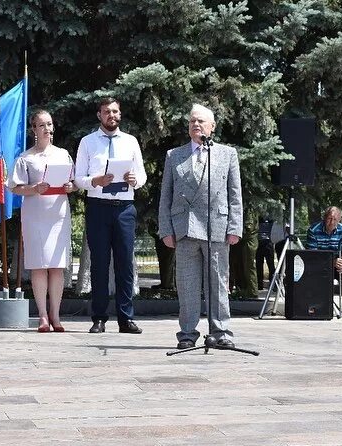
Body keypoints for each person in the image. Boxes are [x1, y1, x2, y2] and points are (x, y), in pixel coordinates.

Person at [158, 104, 243, 349]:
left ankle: (221, 331)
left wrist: (235, 226)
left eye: (201, 121)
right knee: (187, 284)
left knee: (218, 283)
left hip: (216, 226)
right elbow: (166, 195)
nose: (196, 125)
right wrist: (166, 229)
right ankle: (187, 333)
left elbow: (234, 193)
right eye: (192, 121)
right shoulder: (174, 155)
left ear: (212, 127)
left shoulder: (227, 154)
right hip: (184, 227)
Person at [74, 97, 147, 334]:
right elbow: (78, 179)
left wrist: (135, 180)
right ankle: (99, 318)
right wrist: (94, 181)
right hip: (98, 207)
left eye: (115, 111)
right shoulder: (87, 142)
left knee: (125, 263)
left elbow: (142, 175)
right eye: (107, 112)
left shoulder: (130, 141)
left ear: (120, 115)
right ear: (99, 115)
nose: (111, 116)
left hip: (124, 209)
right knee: (100, 264)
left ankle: (126, 318)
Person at [8, 110, 75, 332]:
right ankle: (43, 316)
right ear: (34, 130)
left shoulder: (63, 154)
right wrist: (33, 188)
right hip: (35, 214)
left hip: (58, 214)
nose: (47, 129)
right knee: (38, 265)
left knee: (57, 266)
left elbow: (73, 182)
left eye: (49, 124)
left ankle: (56, 316)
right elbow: (14, 187)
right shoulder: (26, 158)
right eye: (42, 125)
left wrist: (70, 187)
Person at [306, 206, 342, 317]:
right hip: (320, 264)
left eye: (335, 219)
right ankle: (325, 305)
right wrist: (331, 262)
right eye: (329, 218)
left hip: (337, 262)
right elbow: (312, 254)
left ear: (339, 220)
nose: (332, 222)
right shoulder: (314, 230)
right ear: (325, 218)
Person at [255, 215, 276, 289]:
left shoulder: (271, 218)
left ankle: (273, 283)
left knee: (270, 264)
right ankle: (259, 284)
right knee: (259, 264)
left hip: (268, 242)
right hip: (259, 242)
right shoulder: (258, 217)